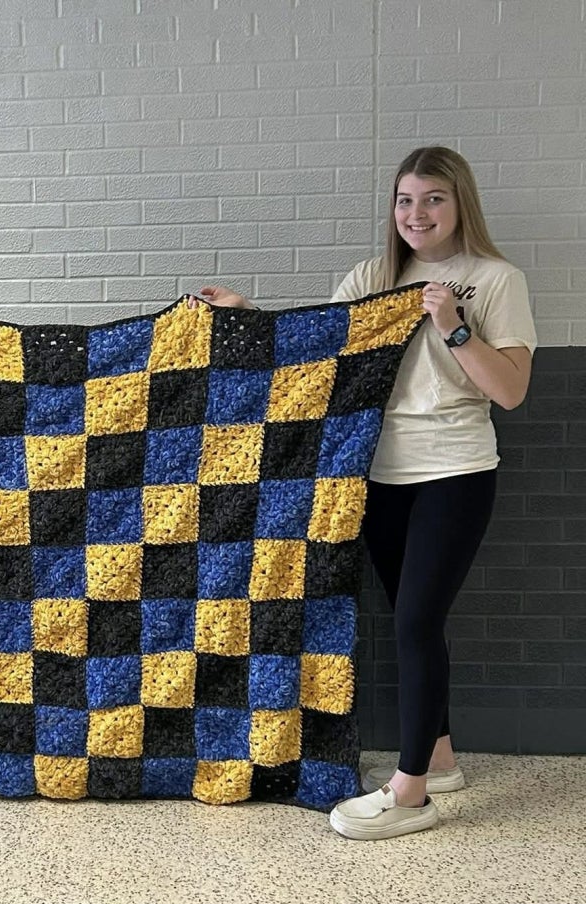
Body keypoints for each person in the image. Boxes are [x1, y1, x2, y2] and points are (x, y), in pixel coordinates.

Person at [194, 146, 536, 839]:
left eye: (434, 199)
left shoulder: (494, 279)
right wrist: (247, 313)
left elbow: (511, 390)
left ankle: (409, 793)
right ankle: (438, 756)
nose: (418, 214)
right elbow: (318, 355)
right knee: (408, 618)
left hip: (456, 471)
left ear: (460, 203)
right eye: (406, 200)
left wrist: (454, 327)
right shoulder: (372, 277)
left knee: (415, 623)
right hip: (377, 475)